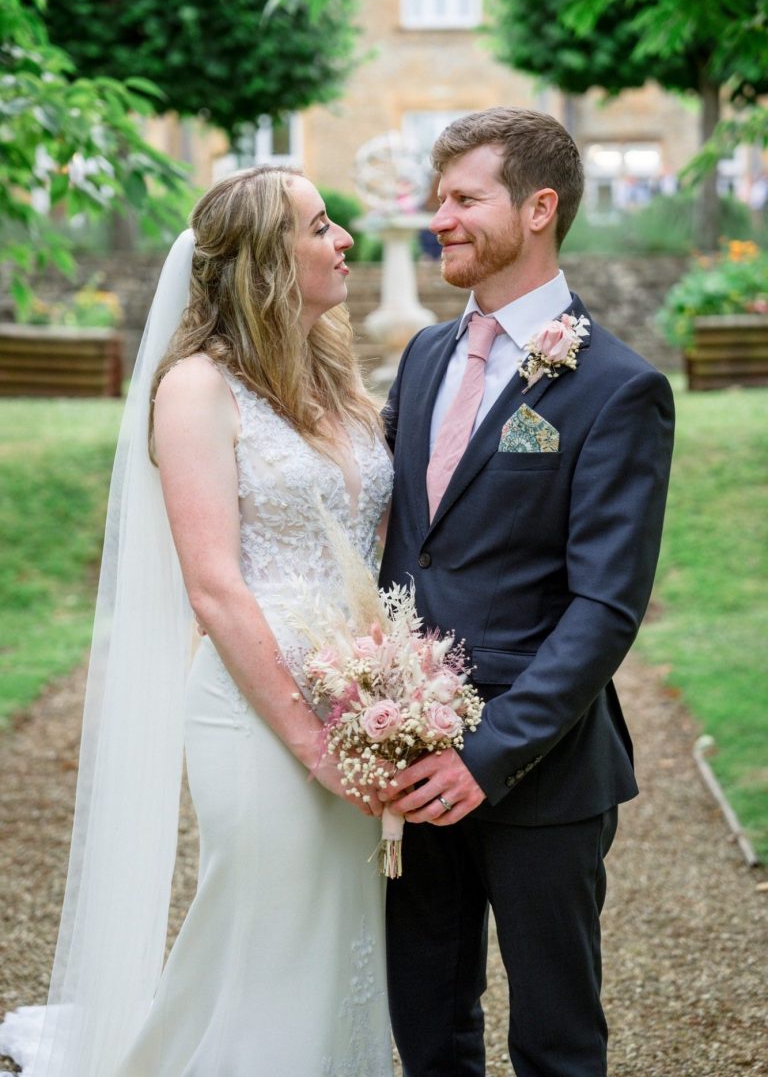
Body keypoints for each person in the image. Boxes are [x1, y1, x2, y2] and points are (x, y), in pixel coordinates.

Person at [0, 166, 394, 1077]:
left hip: (358, 704)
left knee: (338, 935)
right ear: (265, 261)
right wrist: (313, 745)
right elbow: (214, 589)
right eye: (320, 226)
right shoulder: (195, 390)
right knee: (268, 935)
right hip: (258, 712)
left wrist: (389, 690)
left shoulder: (336, 379)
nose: (344, 240)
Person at [378, 108, 675, 1077]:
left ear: (539, 209)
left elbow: (606, 607)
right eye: (439, 199)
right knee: (429, 1028)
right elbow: (406, 551)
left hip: (542, 773)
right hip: (412, 759)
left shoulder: (618, 387)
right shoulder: (424, 356)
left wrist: (488, 753)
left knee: (555, 1041)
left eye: (464, 199)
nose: (439, 219)